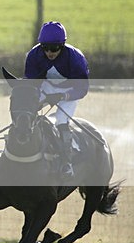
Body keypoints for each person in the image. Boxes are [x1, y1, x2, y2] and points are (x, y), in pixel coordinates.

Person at [24, 21, 90, 178]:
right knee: (25, 111)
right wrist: (35, 99)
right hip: (45, 87)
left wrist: (62, 96)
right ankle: (10, 152)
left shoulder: (75, 58)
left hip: (69, 91)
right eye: (45, 47)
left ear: (63, 45)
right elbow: (30, 83)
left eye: (54, 48)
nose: (49, 52)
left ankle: (66, 163)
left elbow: (82, 88)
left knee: (61, 121)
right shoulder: (34, 55)